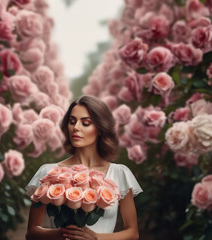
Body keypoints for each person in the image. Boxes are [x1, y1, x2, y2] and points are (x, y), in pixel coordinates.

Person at [25, 95, 142, 240]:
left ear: (100, 128)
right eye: (72, 122)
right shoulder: (49, 172)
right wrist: (60, 234)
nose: (75, 128)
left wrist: (95, 238)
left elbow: (133, 233)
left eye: (85, 123)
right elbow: (31, 232)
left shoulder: (119, 173)